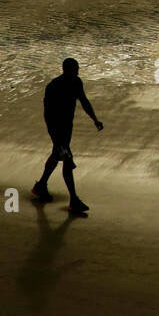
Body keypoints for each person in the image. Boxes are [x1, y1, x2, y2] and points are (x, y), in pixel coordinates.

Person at [32, 58, 103, 216]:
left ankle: (41, 186)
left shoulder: (77, 82)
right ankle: (73, 200)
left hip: (67, 128)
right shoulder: (53, 86)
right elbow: (47, 113)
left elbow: (84, 101)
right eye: (76, 68)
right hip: (56, 129)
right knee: (68, 161)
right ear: (67, 69)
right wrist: (55, 137)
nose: (78, 71)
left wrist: (95, 119)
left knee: (57, 156)